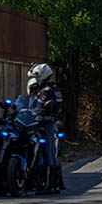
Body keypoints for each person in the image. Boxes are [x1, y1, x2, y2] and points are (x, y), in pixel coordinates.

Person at [27, 62, 65, 190]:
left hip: (46, 123)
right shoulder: (54, 87)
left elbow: (39, 108)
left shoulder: (46, 91)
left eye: (37, 76)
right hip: (51, 121)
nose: (36, 79)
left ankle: (49, 186)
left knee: (47, 152)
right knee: (50, 153)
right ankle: (54, 184)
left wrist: (37, 115)